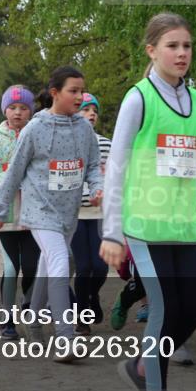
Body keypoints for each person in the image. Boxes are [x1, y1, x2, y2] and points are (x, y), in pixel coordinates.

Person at [100, 13, 196, 391]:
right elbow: (115, 165)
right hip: (143, 224)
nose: (182, 53)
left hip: (183, 224)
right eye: (172, 46)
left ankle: (139, 366)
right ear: (151, 50)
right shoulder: (139, 98)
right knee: (165, 307)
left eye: (187, 46)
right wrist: (111, 232)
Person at [0, 66, 103, 362]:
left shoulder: (84, 129)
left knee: (47, 265)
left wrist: (98, 187)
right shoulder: (34, 129)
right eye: (73, 91)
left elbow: (92, 165)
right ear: (55, 93)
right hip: (39, 211)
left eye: (82, 91)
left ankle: (33, 319)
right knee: (61, 261)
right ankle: (66, 338)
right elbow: (14, 173)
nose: (80, 97)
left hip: (69, 212)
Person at [0, 85, 40, 342]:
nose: (18, 112)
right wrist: (7, 179)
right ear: (5, 109)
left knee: (31, 267)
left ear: (31, 111)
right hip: (4, 218)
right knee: (11, 268)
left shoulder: (37, 135)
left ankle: (29, 309)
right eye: (13, 107)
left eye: (24, 108)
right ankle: (6, 320)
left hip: (33, 217)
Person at [72, 92, 112, 335]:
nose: (91, 114)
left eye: (94, 111)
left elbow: (111, 176)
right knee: (83, 266)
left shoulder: (106, 144)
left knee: (100, 268)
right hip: (75, 214)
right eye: (86, 109)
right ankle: (81, 317)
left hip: (99, 213)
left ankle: (91, 294)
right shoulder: (66, 142)